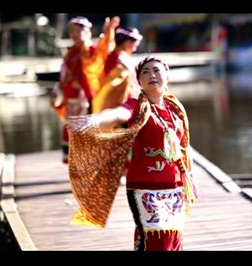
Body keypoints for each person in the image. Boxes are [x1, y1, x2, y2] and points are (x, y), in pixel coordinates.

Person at [66, 56, 199, 251]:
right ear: (139, 81)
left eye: (156, 70)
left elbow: (183, 146)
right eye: (145, 72)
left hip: (175, 188)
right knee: (157, 242)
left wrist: (189, 175)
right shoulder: (136, 107)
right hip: (145, 188)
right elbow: (118, 114)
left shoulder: (175, 109)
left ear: (167, 76)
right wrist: (95, 121)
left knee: (171, 243)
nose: (151, 75)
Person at [51, 16, 119, 163]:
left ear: (88, 32)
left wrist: (108, 32)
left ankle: (92, 167)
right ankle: (78, 168)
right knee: (72, 132)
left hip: (88, 99)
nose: (74, 34)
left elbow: (104, 52)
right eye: (72, 31)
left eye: (78, 31)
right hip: (71, 99)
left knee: (88, 133)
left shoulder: (92, 50)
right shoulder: (71, 53)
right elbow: (65, 75)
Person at [92, 27, 143, 113]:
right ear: (127, 42)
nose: (134, 48)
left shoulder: (120, 57)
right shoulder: (118, 59)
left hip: (121, 103)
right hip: (118, 105)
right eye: (134, 44)